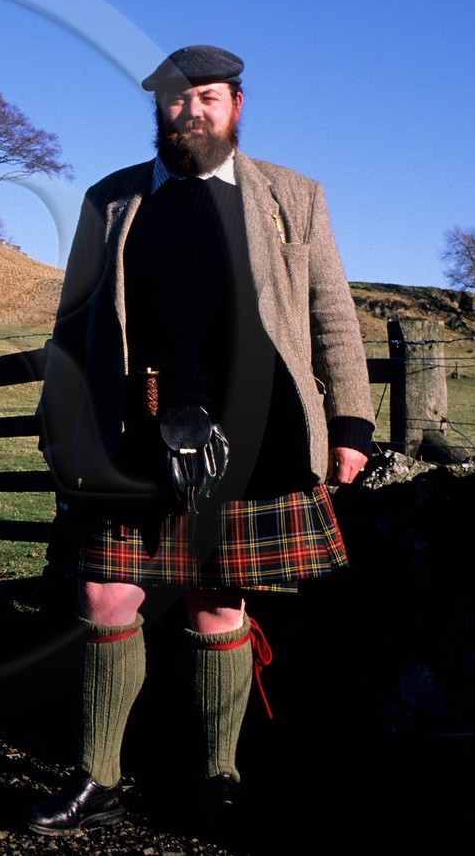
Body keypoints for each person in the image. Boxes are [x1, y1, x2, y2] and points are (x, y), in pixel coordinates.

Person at [26, 44, 374, 835]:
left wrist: (351, 422)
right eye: (178, 101)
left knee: (219, 602)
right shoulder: (111, 201)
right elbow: (74, 326)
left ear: (237, 105)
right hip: (133, 430)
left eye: (207, 98)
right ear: (160, 110)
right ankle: (97, 777)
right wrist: (56, 423)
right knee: (104, 594)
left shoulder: (293, 197)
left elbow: (332, 318)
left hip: (257, 429)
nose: (191, 113)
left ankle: (218, 777)